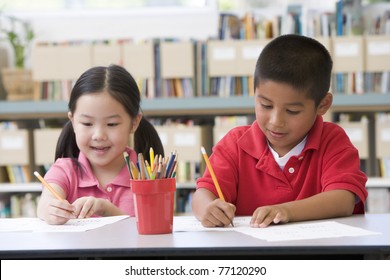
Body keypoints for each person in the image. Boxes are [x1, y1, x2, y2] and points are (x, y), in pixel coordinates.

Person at [192, 34, 368, 228]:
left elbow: (343, 200)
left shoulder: (332, 140)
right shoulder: (235, 143)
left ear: (323, 105)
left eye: (292, 111)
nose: (276, 122)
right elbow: (203, 194)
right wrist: (208, 209)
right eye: (266, 105)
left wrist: (286, 210)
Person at [37, 64, 164, 225]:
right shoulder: (64, 171)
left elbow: (151, 227)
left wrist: (107, 209)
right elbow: (44, 204)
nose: (99, 135)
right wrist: (51, 210)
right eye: (87, 123)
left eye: (111, 124)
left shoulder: (148, 175)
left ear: (134, 122)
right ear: (73, 122)